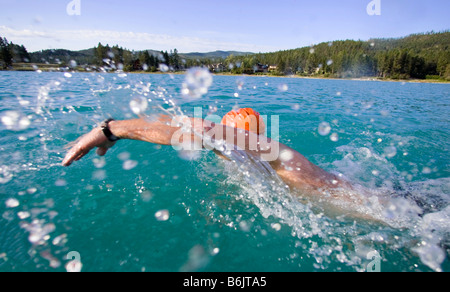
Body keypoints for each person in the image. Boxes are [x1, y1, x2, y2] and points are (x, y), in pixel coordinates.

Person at [62, 108, 379, 221]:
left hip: (397, 209)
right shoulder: (263, 164)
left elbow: (193, 131)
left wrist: (111, 129)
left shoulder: (274, 153)